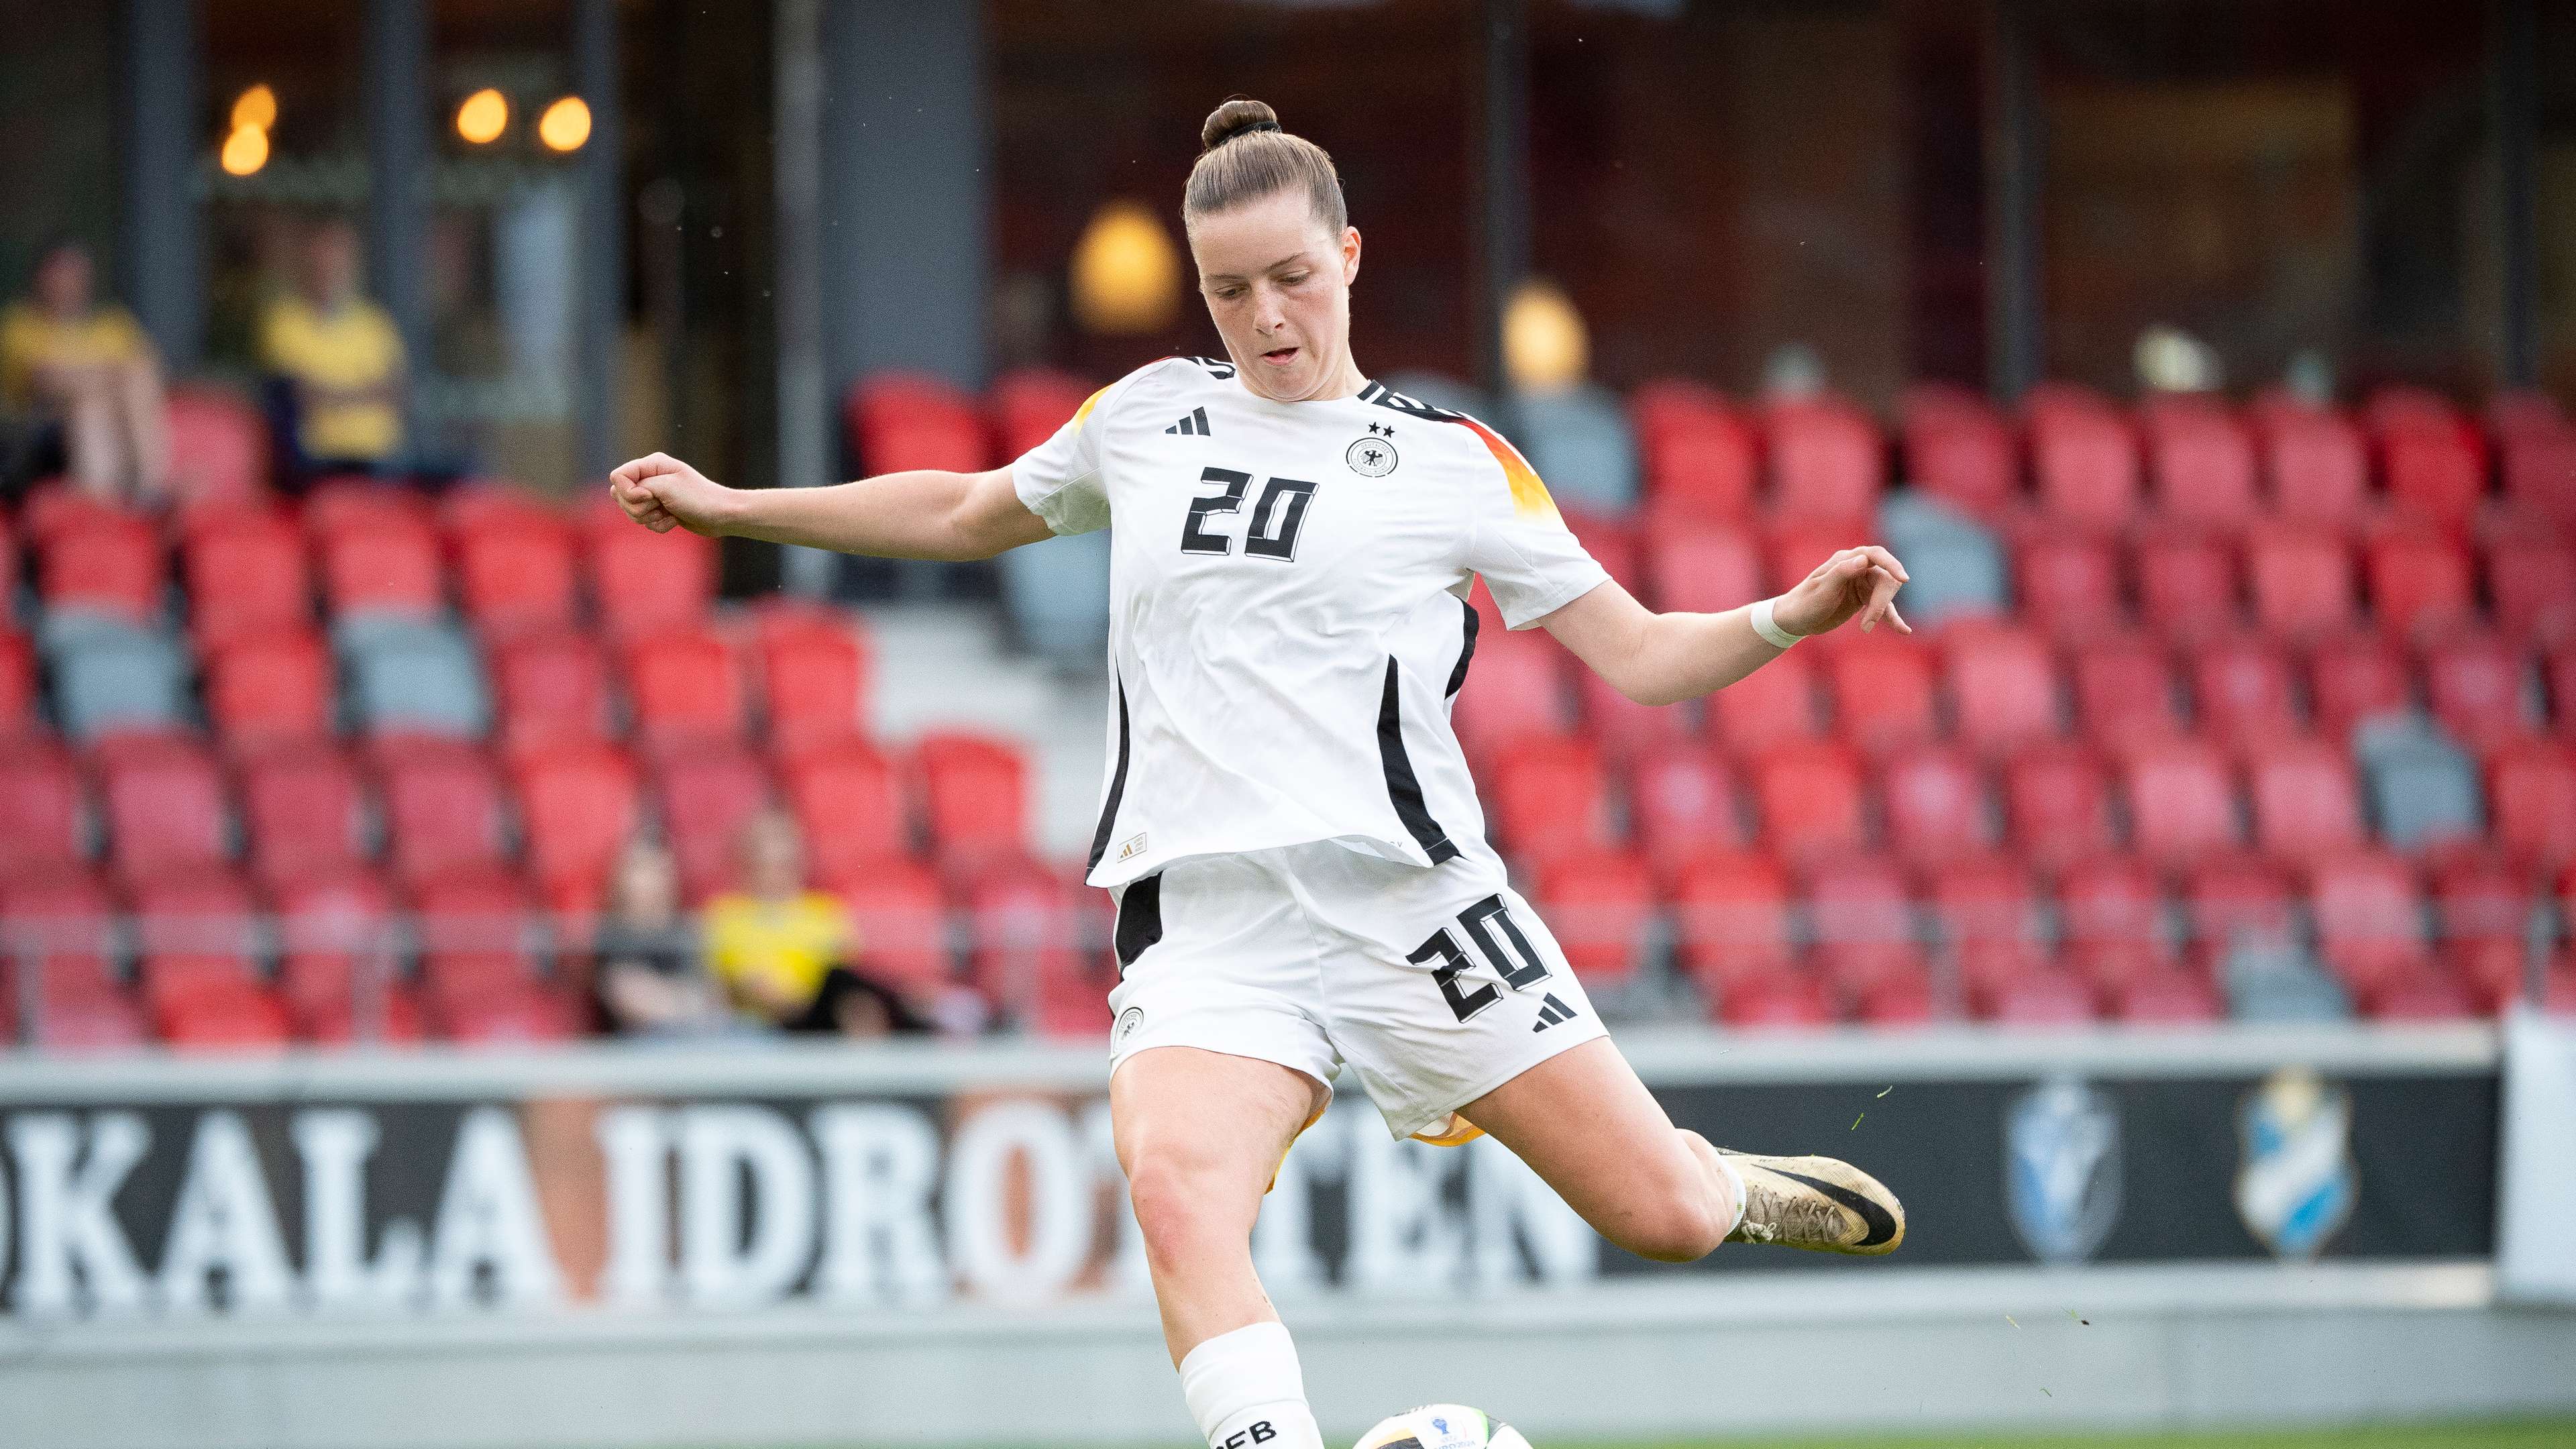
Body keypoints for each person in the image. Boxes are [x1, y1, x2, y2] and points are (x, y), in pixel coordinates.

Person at [611, 98, 1913, 1449]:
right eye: (1228, 291)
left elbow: (1639, 655)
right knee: (1175, 1190)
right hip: (1209, 919)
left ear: (1349, 253)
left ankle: (1730, 1188)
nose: (1267, 315)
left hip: (1415, 906)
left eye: (1292, 276)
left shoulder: (1454, 465)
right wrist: (734, 506)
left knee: (1665, 1221)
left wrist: (1783, 618)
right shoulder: (1146, 418)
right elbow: (963, 508)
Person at [701, 809, 912, 1036]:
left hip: (820, 1017)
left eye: (784, 865)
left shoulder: (823, 911)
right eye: (766, 865)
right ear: (746, 866)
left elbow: (845, 975)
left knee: (859, 992)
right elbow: (741, 986)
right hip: (764, 1025)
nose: (775, 876)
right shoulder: (725, 916)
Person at [0, 237, 168, 504]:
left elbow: (148, 373)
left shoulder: (114, 325)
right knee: (86, 407)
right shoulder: (21, 324)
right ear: (41, 278)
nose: (68, 282)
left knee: (105, 400)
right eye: (60, 273)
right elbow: (47, 381)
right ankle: (104, 504)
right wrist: (112, 378)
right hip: (40, 439)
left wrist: (89, 379)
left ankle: (144, 488)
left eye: (75, 274)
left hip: (112, 431)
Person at [258, 217, 409, 490]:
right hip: (315, 460)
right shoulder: (286, 321)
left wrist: (332, 394)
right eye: (324, 256)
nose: (332, 266)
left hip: (380, 458)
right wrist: (364, 393)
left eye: (340, 256)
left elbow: (395, 391)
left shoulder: (375, 323)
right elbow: (301, 393)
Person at [591, 840, 727, 1036]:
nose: (654, 881)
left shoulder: (687, 931)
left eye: (660, 870)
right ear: (621, 881)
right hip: (638, 1049)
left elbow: (714, 1000)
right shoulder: (612, 937)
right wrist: (683, 1001)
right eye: (643, 870)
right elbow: (636, 1004)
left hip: (699, 1044)